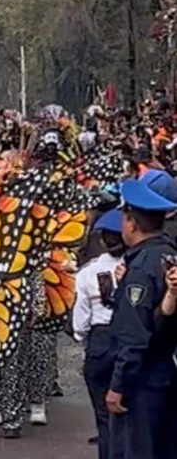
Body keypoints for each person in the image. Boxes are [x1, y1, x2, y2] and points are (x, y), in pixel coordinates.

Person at [105, 178, 177, 459]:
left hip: (142, 383)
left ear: (131, 222)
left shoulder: (141, 268)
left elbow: (135, 334)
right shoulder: (167, 255)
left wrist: (118, 385)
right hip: (164, 373)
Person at [73, 208, 123, 459]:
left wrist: (82, 339)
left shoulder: (86, 273)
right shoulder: (136, 265)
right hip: (128, 340)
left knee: (104, 417)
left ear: (102, 240)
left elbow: (80, 321)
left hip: (100, 342)